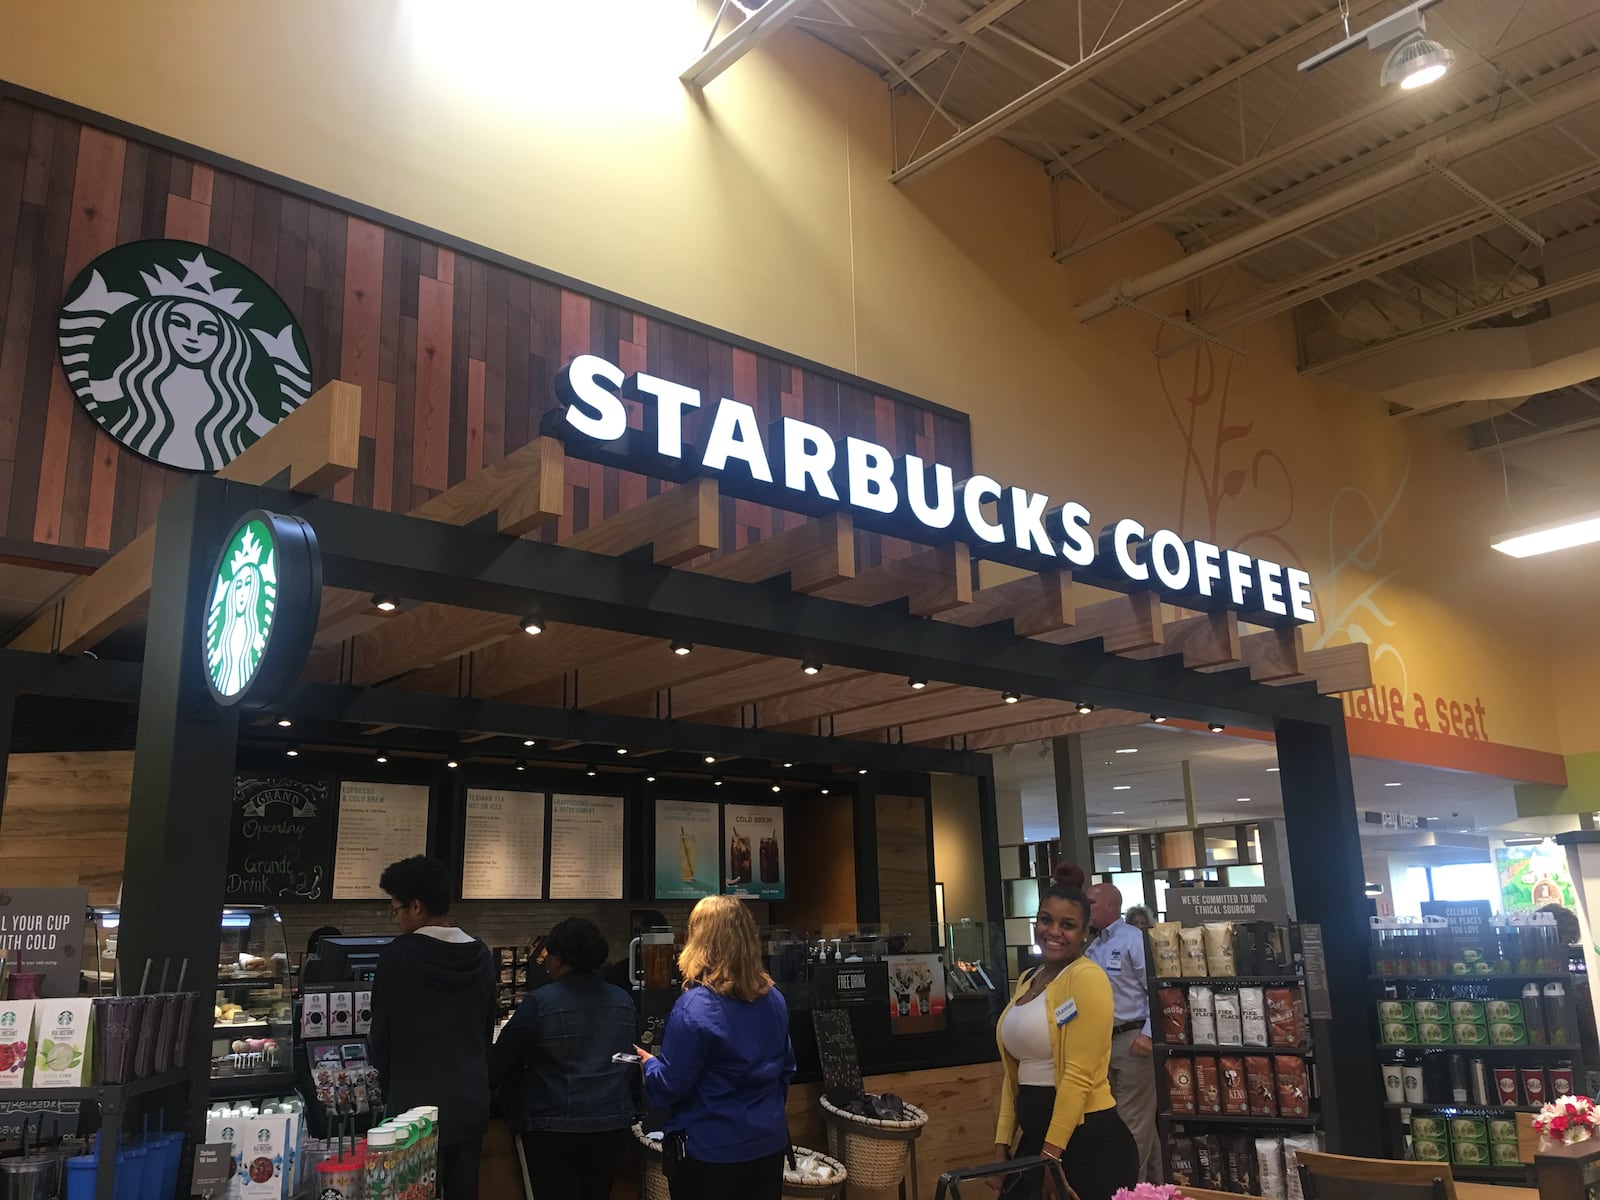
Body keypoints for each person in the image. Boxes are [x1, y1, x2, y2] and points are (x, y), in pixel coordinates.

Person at [991, 864, 1138, 1200]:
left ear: (1085, 932)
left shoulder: (1086, 978)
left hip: (1085, 1144)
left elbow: (1077, 1076)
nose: (1053, 931)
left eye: (1067, 925)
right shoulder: (1029, 979)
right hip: (1037, 1141)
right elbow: (1013, 1075)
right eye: (1046, 920)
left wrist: (1051, 1157)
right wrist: (1001, 1144)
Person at [636, 896, 795, 1200]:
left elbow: (671, 1085)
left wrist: (649, 1066)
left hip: (710, 1152)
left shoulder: (695, 1006)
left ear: (699, 940)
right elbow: (785, 1070)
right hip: (768, 1145)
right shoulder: (774, 999)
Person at [369, 856, 497, 1200]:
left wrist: (387, 1086)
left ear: (416, 906)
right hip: (469, 1105)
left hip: (412, 1112)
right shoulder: (482, 956)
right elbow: (485, 1033)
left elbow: (380, 1038)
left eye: (395, 909)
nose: (395, 918)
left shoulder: (397, 957)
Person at [489, 918, 637, 1200]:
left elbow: (499, 1061)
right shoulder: (623, 1000)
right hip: (613, 1126)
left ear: (559, 958)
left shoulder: (540, 1002)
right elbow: (628, 1060)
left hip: (552, 1127)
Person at [1084, 883, 1160, 1184]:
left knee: (1132, 1124)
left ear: (1111, 906)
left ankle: (1129, 1189)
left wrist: (1149, 1034)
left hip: (1133, 1039)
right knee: (1133, 1122)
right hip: (1103, 1042)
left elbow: (1155, 989)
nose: (1084, 907)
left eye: (1090, 903)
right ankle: (1157, 1185)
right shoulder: (1092, 947)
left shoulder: (1133, 940)